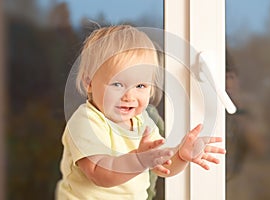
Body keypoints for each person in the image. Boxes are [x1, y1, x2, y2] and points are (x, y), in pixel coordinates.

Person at [55, 25, 226, 200]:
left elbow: (162, 166)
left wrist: (181, 155)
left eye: (140, 86)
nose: (129, 96)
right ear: (89, 82)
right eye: (117, 84)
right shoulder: (87, 121)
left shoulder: (142, 122)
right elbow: (98, 173)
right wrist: (139, 160)